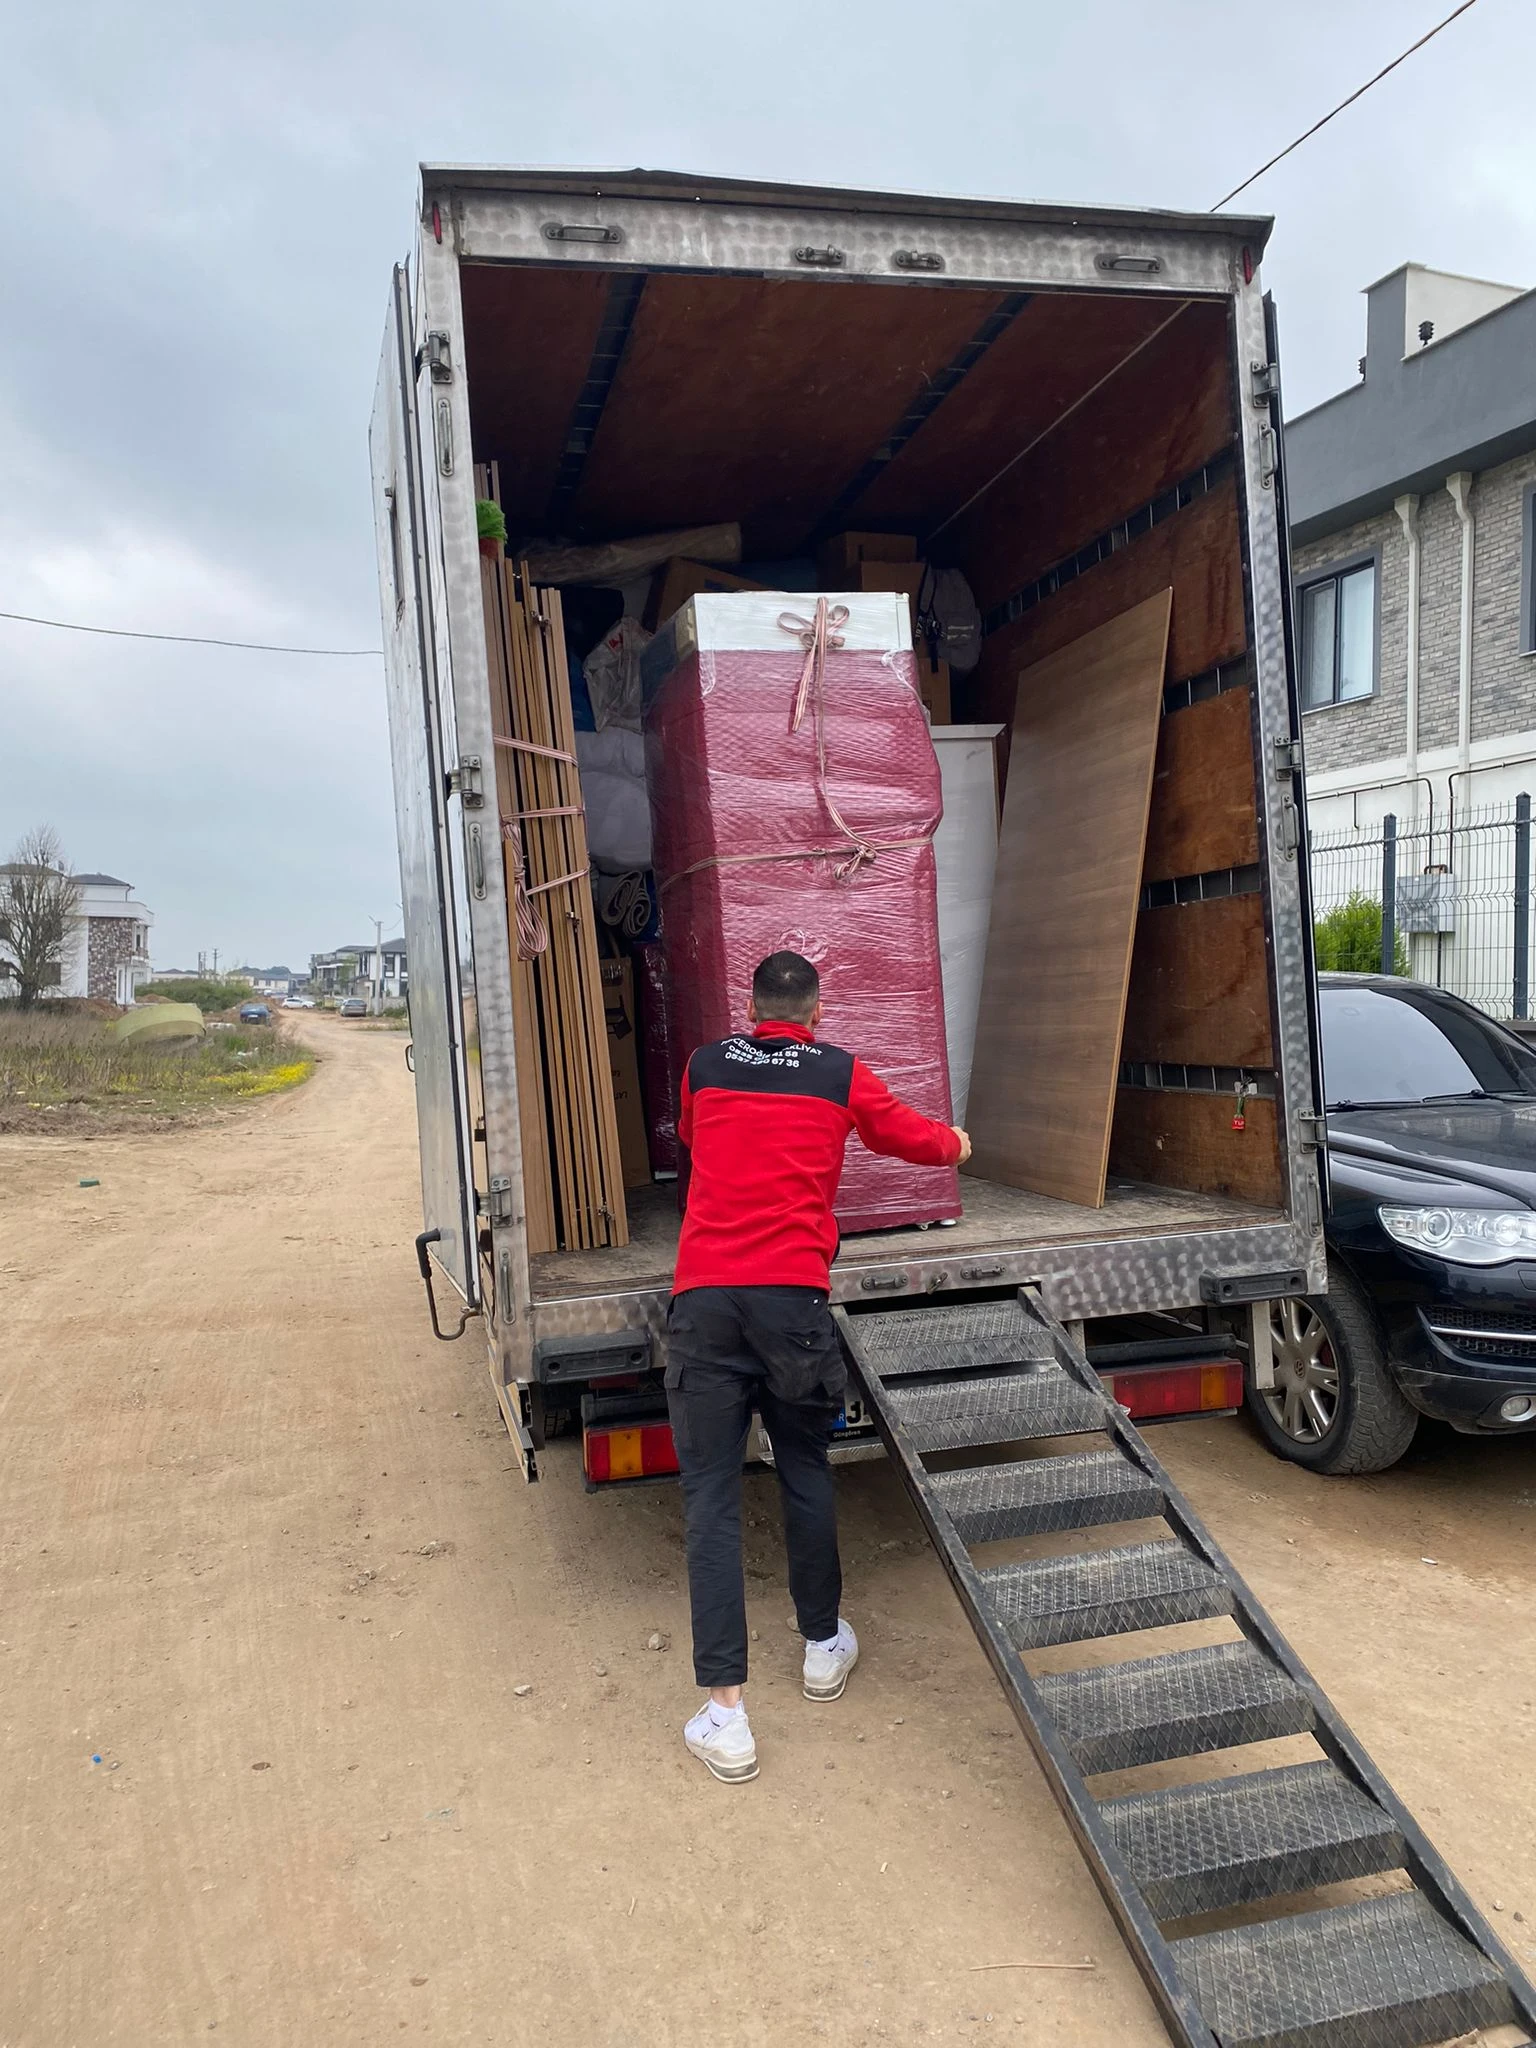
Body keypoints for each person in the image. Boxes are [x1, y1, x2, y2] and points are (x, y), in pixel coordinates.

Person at [665, 950, 971, 1782]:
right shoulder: (838, 1072)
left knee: (711, 1499)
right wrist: (958, 1143)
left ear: (751, 1005)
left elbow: (693, 1139)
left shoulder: (704, 1066)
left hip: (704, 1303)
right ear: (818, 1009)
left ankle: (725, 1716)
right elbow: (910, 1137)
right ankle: (822, 1645)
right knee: (804, 1465)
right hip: (793, 1306)